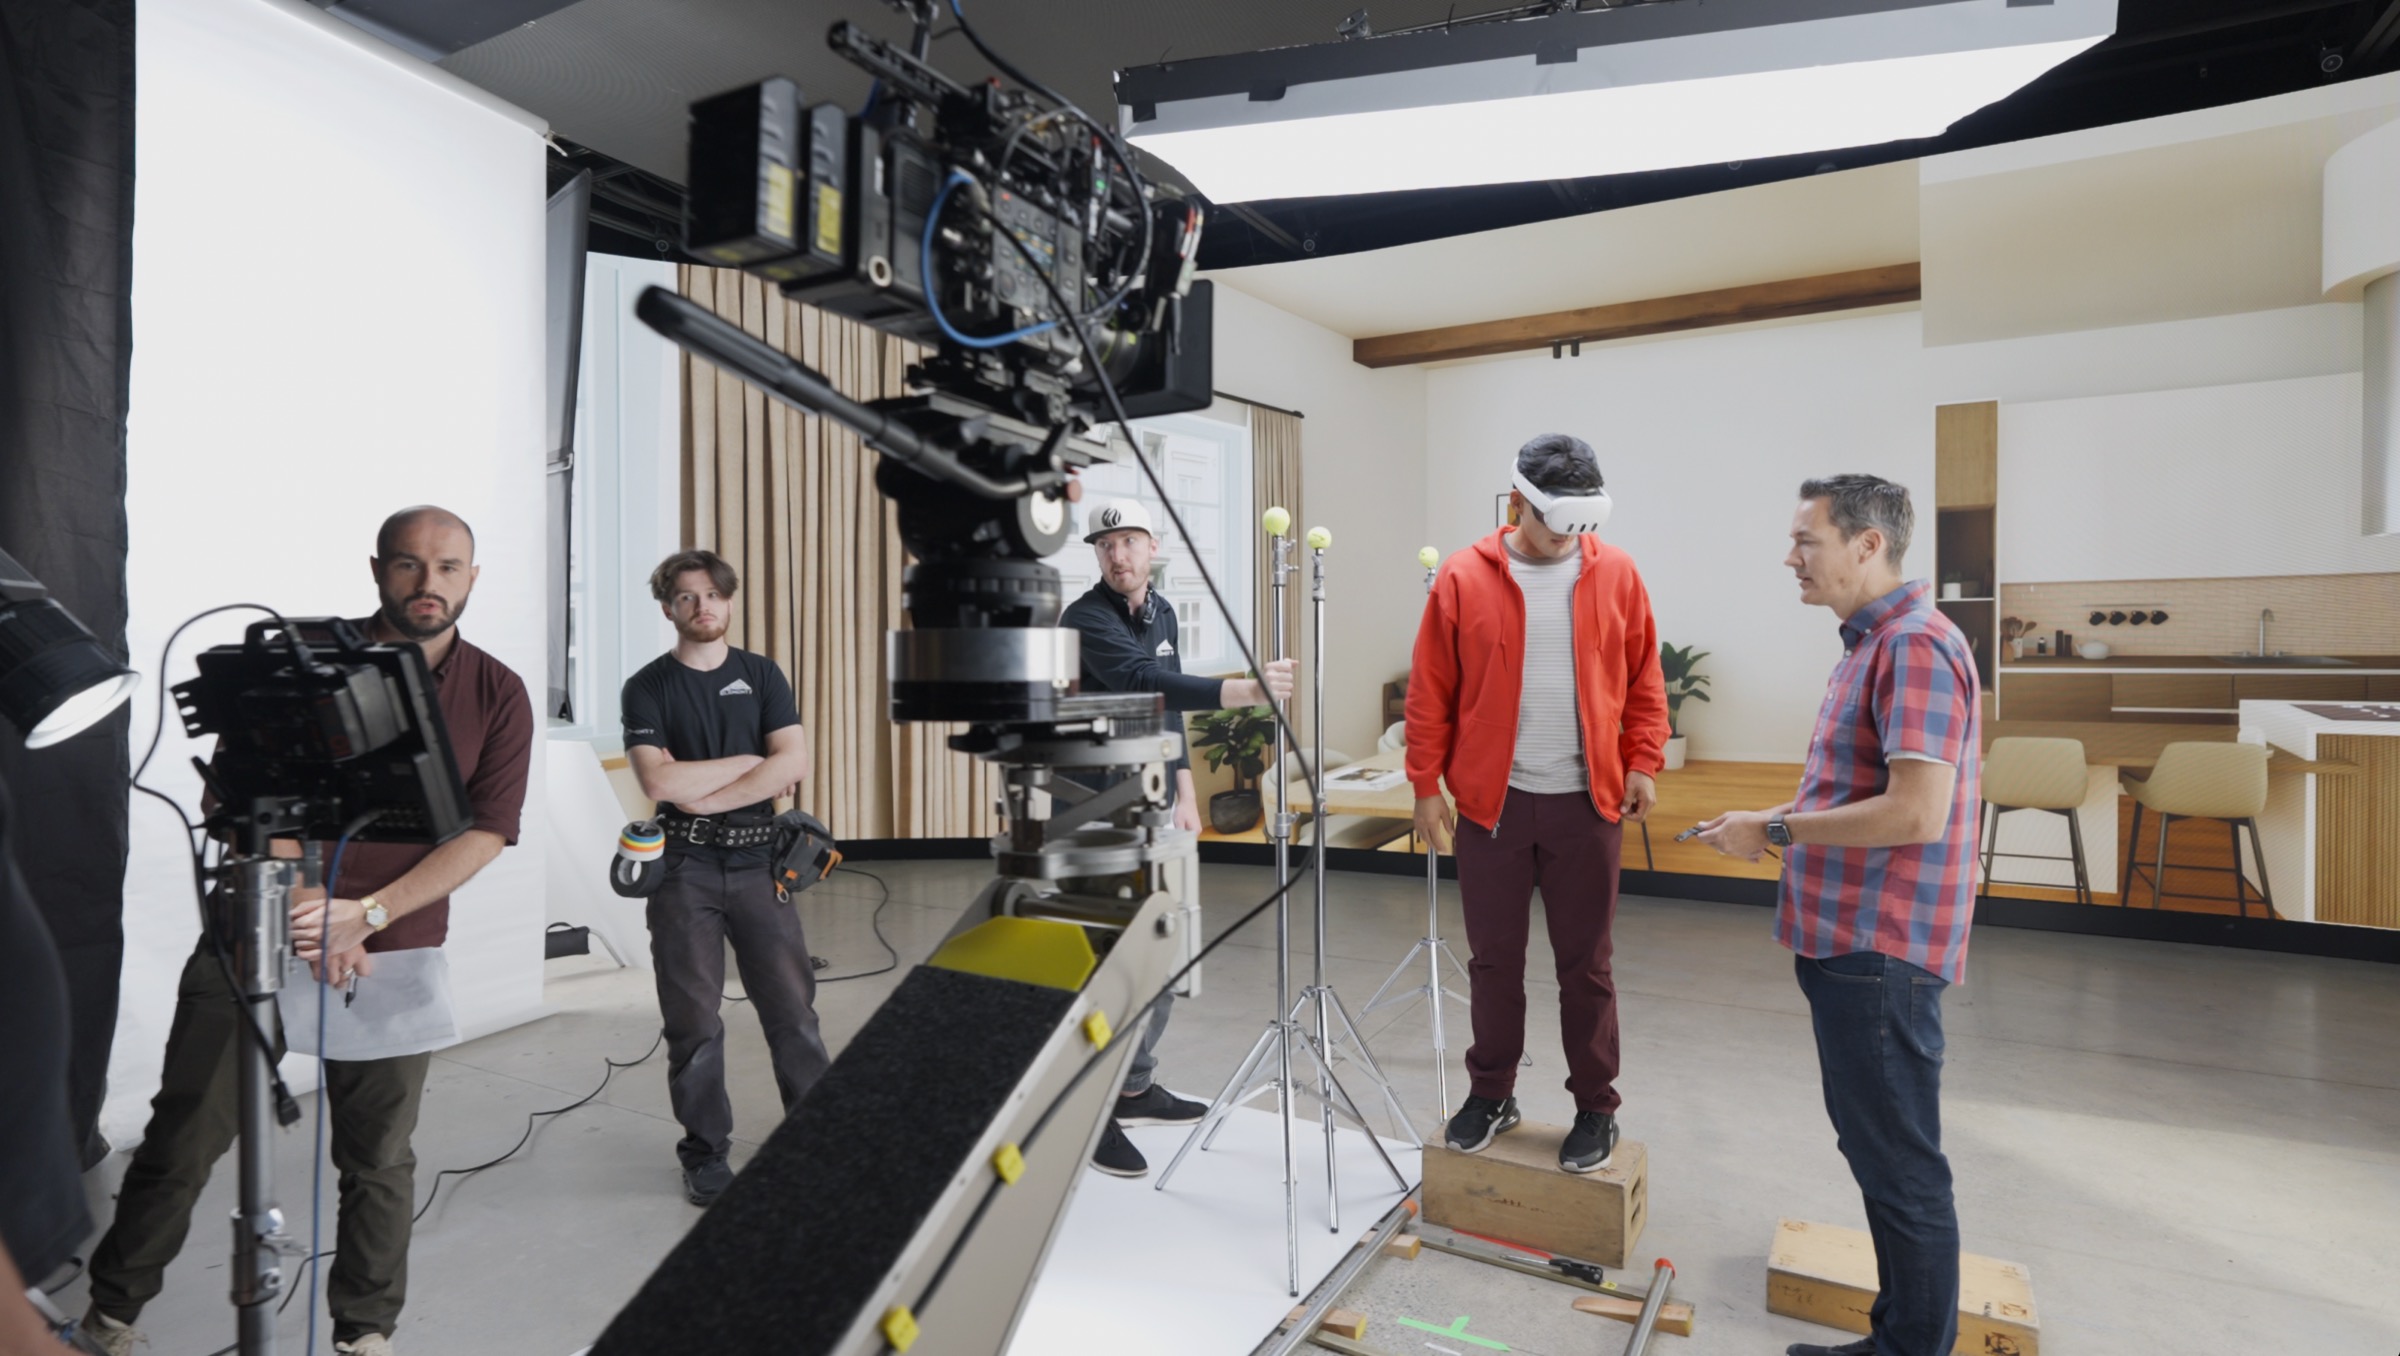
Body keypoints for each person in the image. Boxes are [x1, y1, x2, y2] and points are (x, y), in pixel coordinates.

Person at [84, 506, 535, 1356]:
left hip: (395, 941)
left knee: (378, 1159)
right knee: (184, 1136)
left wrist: (366, 916)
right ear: (378, 571)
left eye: (447, 568)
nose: (428, 584)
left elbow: (485, 830)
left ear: (473, 578)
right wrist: (309, 914)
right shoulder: (298, 660)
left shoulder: (498, 691)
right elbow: (244, 797)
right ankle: (109, 1317)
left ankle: (364, 1334)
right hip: (256, 925)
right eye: (409, 566)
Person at [1693, 474, 1981, 1356]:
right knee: (1881, 1155)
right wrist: (1765, 824)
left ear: (1868, 545)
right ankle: (1895, 1339)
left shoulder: (1915, 647)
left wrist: (1770, 827)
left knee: (1902, 1170)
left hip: (1878, 949)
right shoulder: (1871, 644)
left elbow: (1915, 814)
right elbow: (1855, 791)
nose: (1791, 557)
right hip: (1847, 943)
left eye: (1806, 541)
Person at [1406, 434, 1667, 1174]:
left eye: (1583, 527)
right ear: (1517, 502)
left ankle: (1595, 1106)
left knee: (1586, 966)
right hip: (1493, 806)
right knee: (1494, 962)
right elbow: (1431, 691)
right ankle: (1492, 1093)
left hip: (1587, 803)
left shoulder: (1616, 573)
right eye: (1557, 525)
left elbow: (1644, 673)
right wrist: (1426, 785)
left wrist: (1643, 759)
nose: (1570, 541)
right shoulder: (1461, 576)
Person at [1058, 498, 1295, 1177]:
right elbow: (1139, 681)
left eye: (1129, 541)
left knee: (1162, 955)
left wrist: (1187, 789)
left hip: (1152, 799)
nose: (1118, 555)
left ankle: (1132, 1087)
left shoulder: (1160, 613)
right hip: (1093, 807)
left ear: (1153, 546)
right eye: (1106, 545)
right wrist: (1244, 692)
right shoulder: (1085, 619)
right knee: (1109, 964)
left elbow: (1161, 717)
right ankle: (1090, 1108)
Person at [620, 549, 828, 1208]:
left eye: (713, 595)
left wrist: (704, 788)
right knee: (694, 1023)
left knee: (793, 1012)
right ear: (668, 608)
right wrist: (746, 762)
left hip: (758, 861)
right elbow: (658, 781)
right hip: (683, 870)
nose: (702, 607)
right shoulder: (647, 686)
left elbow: (791, 761)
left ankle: (819, 1135)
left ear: (730, 601)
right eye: (687, 597)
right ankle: (705, 1153)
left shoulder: (763, 675)